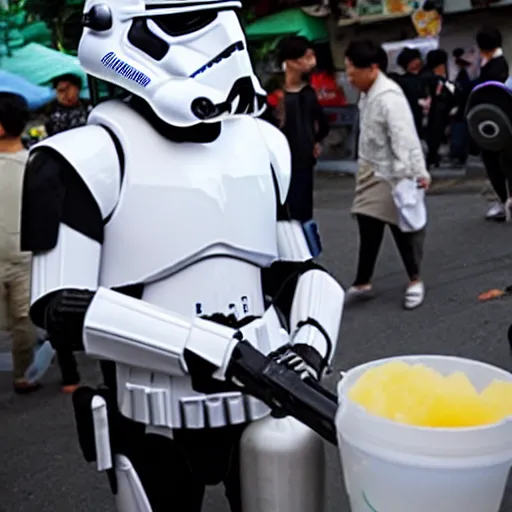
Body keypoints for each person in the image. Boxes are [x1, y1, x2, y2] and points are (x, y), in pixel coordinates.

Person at [20, 1, 345, 511]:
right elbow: (60, 307)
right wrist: (210, 348)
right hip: (150, 412)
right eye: (193, 19)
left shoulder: (263, 145)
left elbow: (299, 271)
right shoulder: (83, 159)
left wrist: (308, 344)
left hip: (266, 405)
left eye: (223, 17)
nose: (223, 40)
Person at [344, 40, 431, 310]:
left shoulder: (389, 97)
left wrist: (414, 173)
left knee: (401, 229)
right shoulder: (367, 93)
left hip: (393, 172)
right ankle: (363, 282)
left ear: (372, 68)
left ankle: (415, 280)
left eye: (351, 70)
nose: (349, 76)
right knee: (367, 224)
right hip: (371, 169)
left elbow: (405, 138)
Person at [0, 92, 39, 393]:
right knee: (22, 319)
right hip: (25, 256)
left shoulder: (33, 163)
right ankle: (22, 373)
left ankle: (24, 373)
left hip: (20, 258)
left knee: (23, 321)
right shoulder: (37, 163)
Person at [274, 35, 331, 224]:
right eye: (307, 56)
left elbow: (323, 124)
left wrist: (315, 141)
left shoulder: (308, 92)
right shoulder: (273, 92)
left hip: (303, 158)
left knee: (302, 210)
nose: (311, 62)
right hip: (279, 158)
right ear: (291, 61)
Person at [474, 27, 511, 221]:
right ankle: (504, 201)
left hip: (495, 124)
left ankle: (504, 202)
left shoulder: (495, 66)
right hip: (497, 122)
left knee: (496, 164)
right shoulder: (495, 63)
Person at [423, 49, 457, 169]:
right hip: (435, 114)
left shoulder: (427, 77)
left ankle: (432, 159)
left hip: (431, 114)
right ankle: (431, 160)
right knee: (433, 139)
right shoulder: (435, 79)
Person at [395, 47, 428, 138]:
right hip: (413, 116)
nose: (418, 61)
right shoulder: (403, 81)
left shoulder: (426, 75)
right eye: (414, 60)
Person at [449, 48, 472, 167]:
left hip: (461, 108)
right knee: (460, 134)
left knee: (459, 133)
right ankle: (459, 155)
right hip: (463, 108)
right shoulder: (463, 75)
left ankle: (459, 155)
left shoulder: (461, 76)